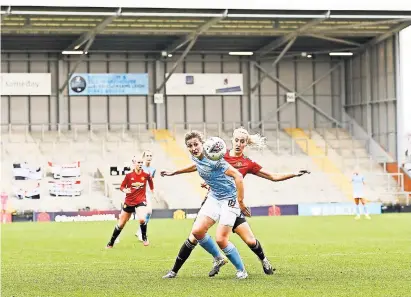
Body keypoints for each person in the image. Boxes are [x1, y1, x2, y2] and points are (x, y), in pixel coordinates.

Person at [163, 127, 310, 279]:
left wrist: (293, 174)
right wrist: (201, 180)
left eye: (242, 141)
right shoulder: (217, 152)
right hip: (214, 198)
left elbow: (272, 176)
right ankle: (184, 268)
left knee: (248, 240)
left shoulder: (245, 163)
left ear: (246, 143)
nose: (239, 143)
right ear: (231, 140)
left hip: (232, 201)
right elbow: (201, 166)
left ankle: (260, 262)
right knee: (195, 234)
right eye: (237, 140)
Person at [161, 131, 250, 279]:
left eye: (196, 144)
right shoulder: (195, 157)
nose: (193, 148)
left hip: (229, 199)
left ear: (203, 144)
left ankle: (242, 271)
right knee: (197, 231)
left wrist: (240, 202)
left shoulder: (215, 159)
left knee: (221, 239)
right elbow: (195, 165)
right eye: (190, 146)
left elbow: (238, 176)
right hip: (214, 196)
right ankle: (218, 258)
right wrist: (174, 172)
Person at [106, 157, 154, 248]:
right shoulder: (129, 176)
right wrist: (125, 190)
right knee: (121, 224)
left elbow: (150, 181)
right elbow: (122, 186)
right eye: (138, 162)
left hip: (140, 201)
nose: (140, 164)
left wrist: (152, 190)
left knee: (142, 219)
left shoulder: (146, 174)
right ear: (134, 164)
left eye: (141, 162)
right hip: (129, 202)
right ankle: (111, 242)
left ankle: (144, 237)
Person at [136, 150, 156, 241]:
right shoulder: (140, 167)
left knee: (149, 212)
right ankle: (140, 232)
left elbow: (151, 182)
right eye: (147, 155)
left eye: (150, 155)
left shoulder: (153, 170)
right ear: (144, 158)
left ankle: (140, 231)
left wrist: (153, 193)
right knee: (144, 213)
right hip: (138, 192)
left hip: (146, 193)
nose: (149, 157)